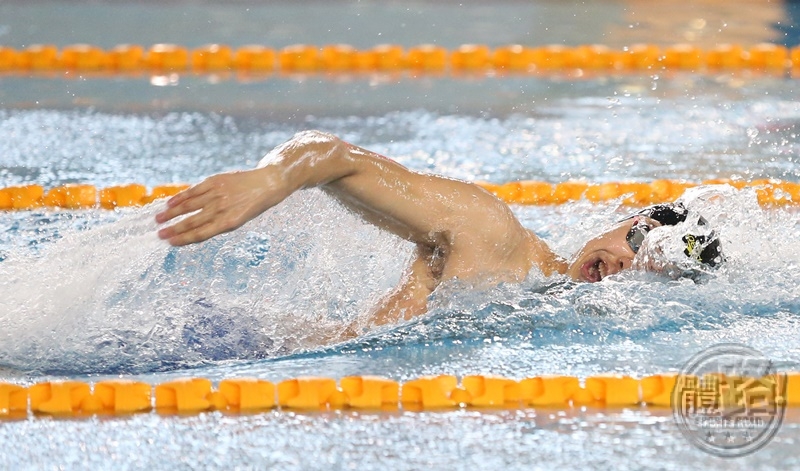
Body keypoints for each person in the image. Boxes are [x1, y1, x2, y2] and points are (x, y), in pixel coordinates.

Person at [155, 130, 722, 329]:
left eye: (651, 273)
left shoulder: (543, 299)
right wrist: (271, 179)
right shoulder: (495, 236)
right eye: (637, 243)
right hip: (226, 344)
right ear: (625, 222)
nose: (626, 265)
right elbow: (334, 156)